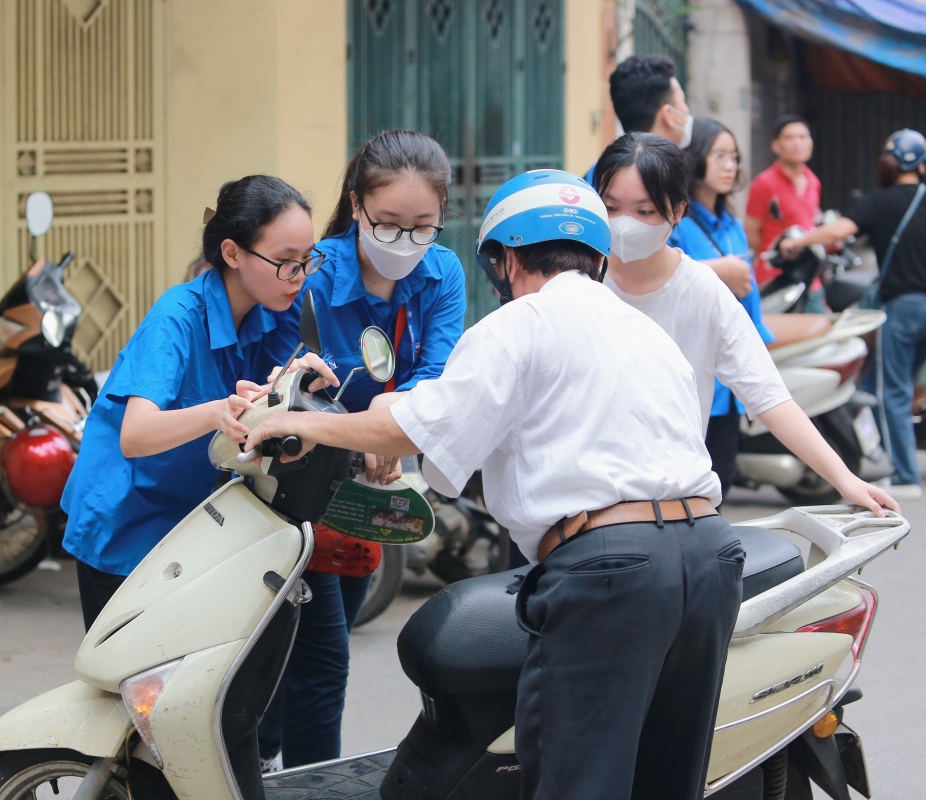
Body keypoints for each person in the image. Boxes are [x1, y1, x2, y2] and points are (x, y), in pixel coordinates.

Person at [242, 168, 748, 800]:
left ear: (504, 260)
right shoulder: (648, 334)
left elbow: (417, 425)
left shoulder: (516, 326)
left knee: (578, 784)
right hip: (710, 555)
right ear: (595, 258)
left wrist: (298, 422)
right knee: (666, 783)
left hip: (611, 572)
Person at [235, 130, 467, 771]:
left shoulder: (442, 273)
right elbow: (282, 377)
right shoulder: (315, 273)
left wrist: (389, 426)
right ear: (356, 207)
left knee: (303, 654)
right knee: (321, 657)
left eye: (423, 225)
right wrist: (366, 430)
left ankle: (261, 759)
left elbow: (437, 372)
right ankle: (300, 778)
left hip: (369, 487)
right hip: (293, 488)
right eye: (387, 223)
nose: (405, 240)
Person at [60, 175, 337, 630]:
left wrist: (299, 383)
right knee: (132, 689)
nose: (301, 276)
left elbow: (270, 403)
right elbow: (135, 436)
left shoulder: (279, 312)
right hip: (128, 516)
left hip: (198, 522)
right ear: (232, 253)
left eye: (307, 260)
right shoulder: (177, 316)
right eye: (286, 262)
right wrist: (216, 412)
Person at [594, 132, 897, 515]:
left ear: (678, 212)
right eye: (611, 207)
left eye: (645, 211)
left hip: (673, 505)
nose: (625, 225)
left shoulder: (704, 293)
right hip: (589, 502)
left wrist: (846, 480)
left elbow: (769, 396)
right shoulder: (579, 281)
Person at [780, 129, 926, 500]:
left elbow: (839, 231)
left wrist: (797, 241)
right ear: (922, 165)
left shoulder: (880, 201)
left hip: (904, 307)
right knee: (885, 380)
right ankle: (879, 446)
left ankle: (906, 475)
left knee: (893, 390)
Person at [669, 118, 773, 499]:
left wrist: (760, 344)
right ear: (695, 159)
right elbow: (658, 272)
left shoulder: (731, 223)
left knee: (722, 476)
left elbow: (750, 295)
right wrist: (720, 271)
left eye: (734, 157)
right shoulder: (678, 221)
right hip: (688, 370)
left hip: (727, 378)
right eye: (719, 155)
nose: (730, 165)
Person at [584, 53, 694, 187]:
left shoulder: (597, 176)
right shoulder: (660, 179)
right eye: (682, 101)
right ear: (668, 114)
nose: (686, 111)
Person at [745, 115, 822, 288]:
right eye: (789, 138)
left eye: (803, 137)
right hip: (775, 277)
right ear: (776, 146)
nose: (797, 143)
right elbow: (751, 234)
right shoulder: (764, 184)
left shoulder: (814, 181)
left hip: (809, 276)